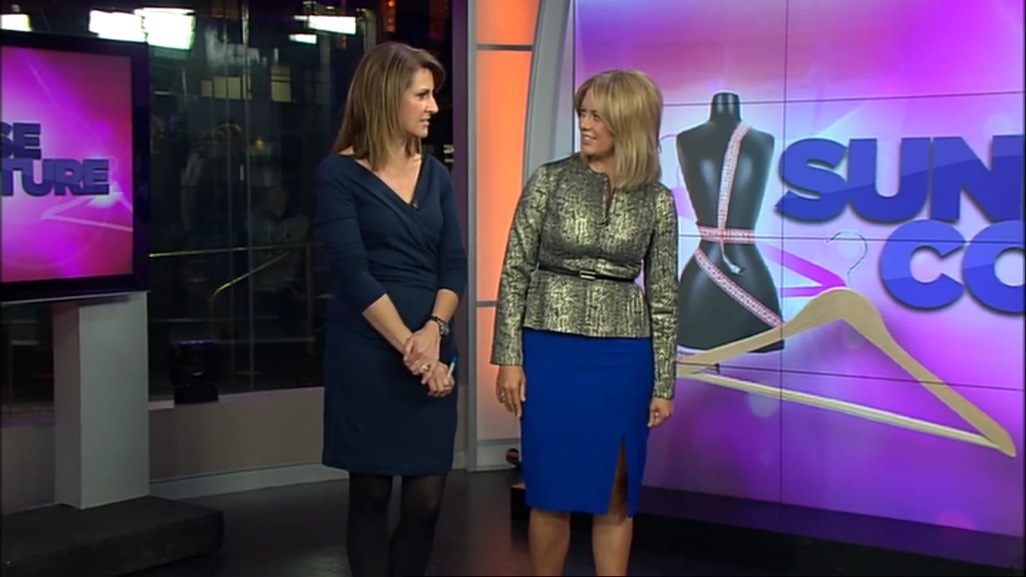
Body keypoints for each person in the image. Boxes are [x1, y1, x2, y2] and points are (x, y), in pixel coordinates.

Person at [492, 69, 679, 576]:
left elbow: (664, 295)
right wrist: (509, 357)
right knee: (550, 488)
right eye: (583, 113)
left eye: (598, 115)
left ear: (629, 122)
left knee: (615, 488)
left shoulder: (657, 200)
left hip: (623, 356)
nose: (585, 124)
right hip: (549, 348)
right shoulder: (549, 180)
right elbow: (514, 270)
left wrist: (664, 383)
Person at [314, 42, 467, 577]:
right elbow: (353, 273)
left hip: (433, 345)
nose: (433, 107)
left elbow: (453, 264)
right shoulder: (338, 174)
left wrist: (434, 332)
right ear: (387, 97)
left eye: (433, 95)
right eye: (422, 95)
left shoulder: (436, 175)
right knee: (371, 494)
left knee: (426, 502)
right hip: (368, 352)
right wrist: (411, 345)